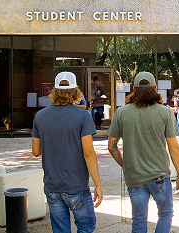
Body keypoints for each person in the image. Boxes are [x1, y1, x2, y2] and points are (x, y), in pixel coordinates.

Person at [107, 72, 179, 233]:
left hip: (134, 177)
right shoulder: (165, 113)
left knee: (138, 221)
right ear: (155, 88)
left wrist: (126, 164)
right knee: (165, 215)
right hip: (159, 176)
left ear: (134, 89)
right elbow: (174, 147)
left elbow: (111, 146)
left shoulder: (121, 113)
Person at [31, 72, 103, 233]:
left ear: (54, 91)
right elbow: (89, 153)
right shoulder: (83, 116)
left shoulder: (40, 116)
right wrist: (97, 184)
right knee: (86, 227)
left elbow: (36, 151)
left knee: (60, 230)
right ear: (75, 91)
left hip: (52, 185)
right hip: (76, 185)